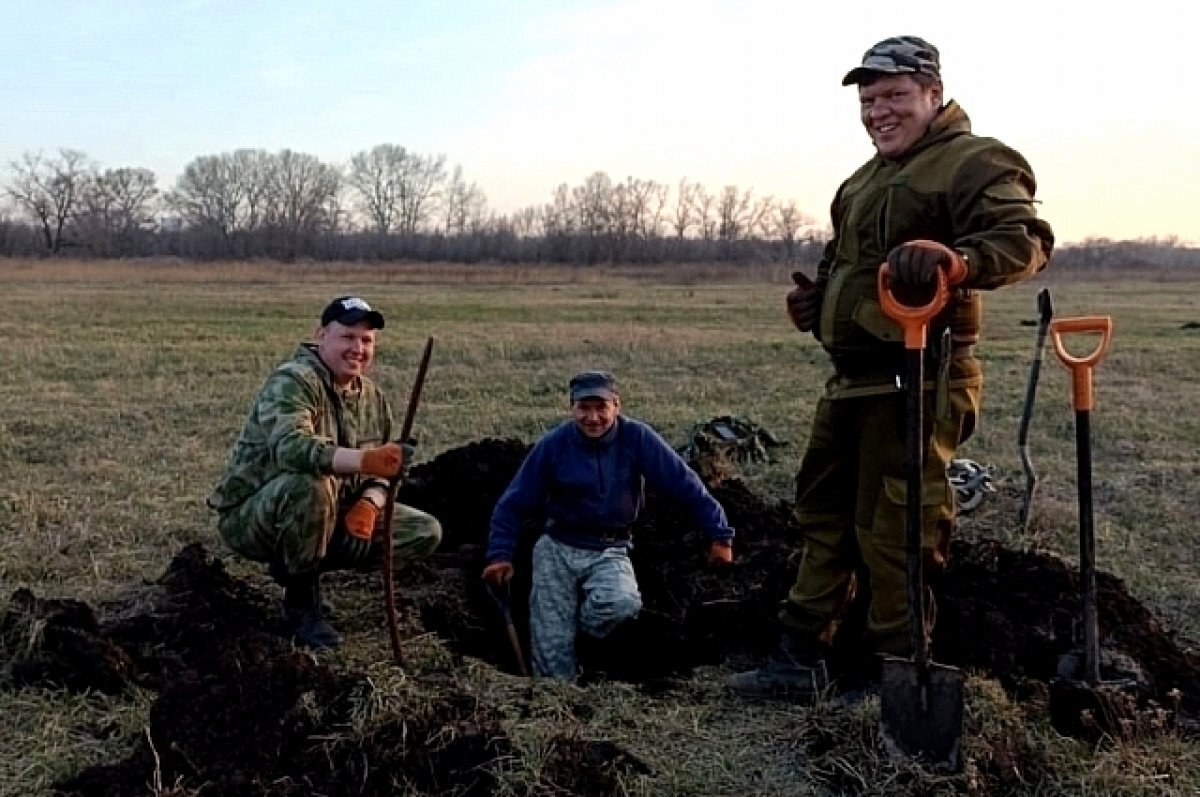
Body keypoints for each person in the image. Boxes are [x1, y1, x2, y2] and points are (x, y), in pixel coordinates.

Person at [728, 36, 1054, 699]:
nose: (879, 112)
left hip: (921, 376)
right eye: (869, 101)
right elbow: (841, 263)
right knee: (822, 515)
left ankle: (893, 675)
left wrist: (956, 262)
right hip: (852, 380)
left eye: (894, 96)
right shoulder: (862, 180)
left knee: (897, 528)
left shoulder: (973, 160)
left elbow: (1024, 241)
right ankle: (799, 656)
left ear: (933, 94)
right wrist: (821, 303)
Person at [208, 296, 442, 649]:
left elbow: (387, 470)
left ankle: (307, 560)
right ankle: (300, 602)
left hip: (335, 510)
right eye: (348, 337)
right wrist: (364, 461)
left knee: (425, 531)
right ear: (321, 336)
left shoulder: (374, 399)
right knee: (311, 483)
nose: (358, 349)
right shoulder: (293, 381)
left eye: (366, 341)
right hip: (255, 516)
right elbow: (292, 449)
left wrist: (370, 503)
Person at [481, 370, 736, 681]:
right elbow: (513, 503)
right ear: (571, 408)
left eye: (600, 407)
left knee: (622, 603)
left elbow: (686, 485)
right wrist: (499, 556)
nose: (592, 417)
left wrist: (719, 536)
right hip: (557, 546)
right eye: (583, 408)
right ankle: (557, 701)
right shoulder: (553, 445)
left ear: (617, 405)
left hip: (609, 547)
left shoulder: (638, 439)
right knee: (551, 650)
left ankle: (584, 639)